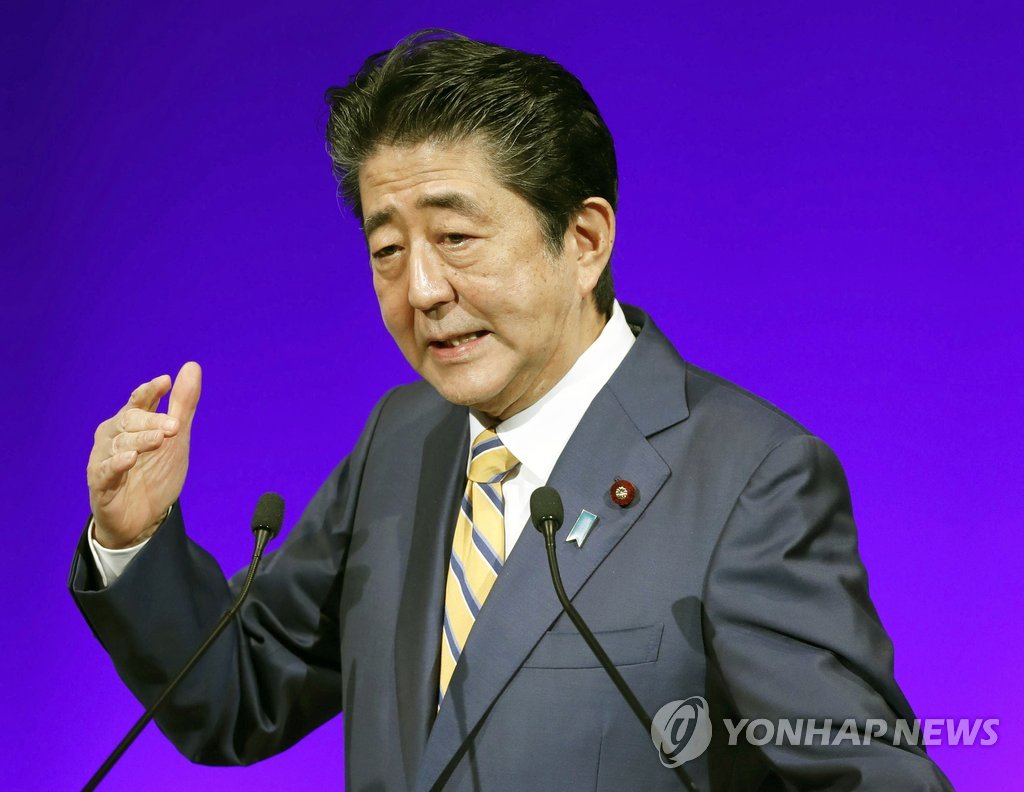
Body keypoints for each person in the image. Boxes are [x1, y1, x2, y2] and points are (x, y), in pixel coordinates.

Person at [70, 30, 953, 791]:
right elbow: (238, 691)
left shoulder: (750, 478)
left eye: (456, 238)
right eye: (387, 249)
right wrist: (132, 539)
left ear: (584, 241)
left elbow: (864, 773)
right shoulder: (400, 440)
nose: (422, 289)